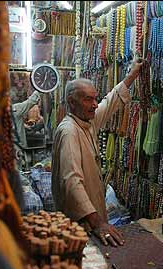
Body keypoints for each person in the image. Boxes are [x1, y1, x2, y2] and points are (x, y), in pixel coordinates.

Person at [51, 59, 144, 247]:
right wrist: (98, 222)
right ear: (71, 102)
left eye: (95, 98)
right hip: (80, 221)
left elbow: (110, 102)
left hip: (91, 216)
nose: (94, 104)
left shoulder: (87, 121)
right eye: (88, 99)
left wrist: (132, 75)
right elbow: (71, 181)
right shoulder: (70, 131)